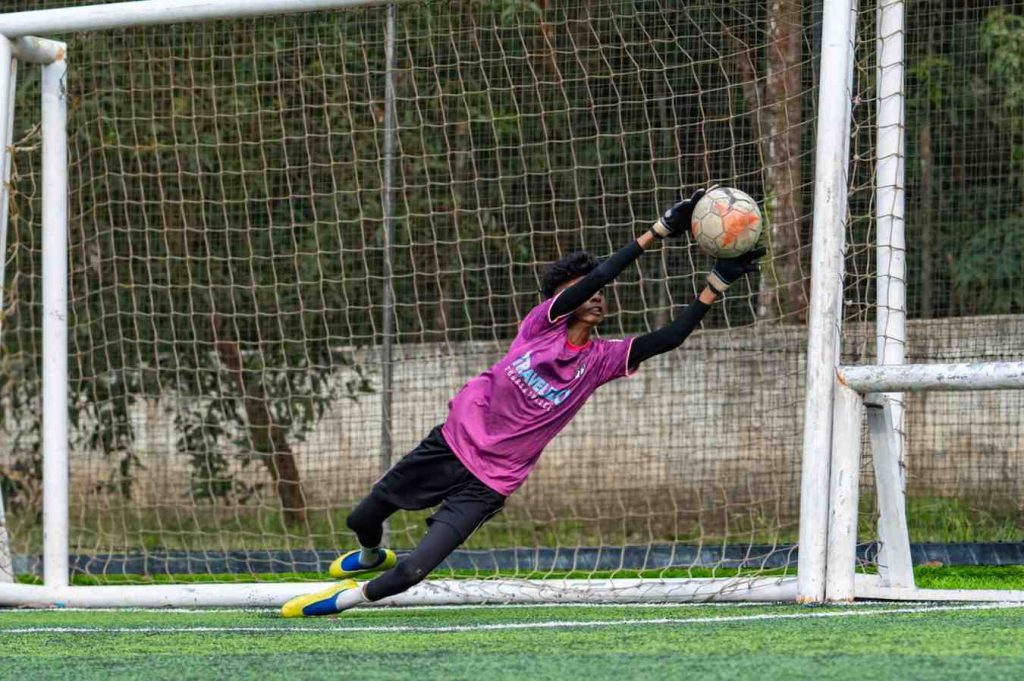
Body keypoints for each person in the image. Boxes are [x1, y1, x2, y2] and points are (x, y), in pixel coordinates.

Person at [282, 188, 765, 617]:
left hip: (489, 484)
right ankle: (369, 556)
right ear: (562, 299)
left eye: (602, 295)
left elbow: (670, 337)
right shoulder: (541, 325)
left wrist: (715, 284)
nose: (598, 297)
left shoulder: (600, 360)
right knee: (360, 520)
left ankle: (335, 602)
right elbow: (600, 273)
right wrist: (657, 231)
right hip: (450, 446)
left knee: (410, 574)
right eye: (586, 291)